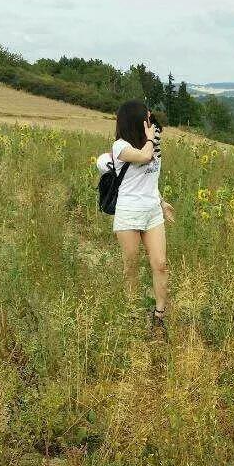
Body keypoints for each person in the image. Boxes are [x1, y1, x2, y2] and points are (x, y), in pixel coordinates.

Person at [96, 99, 175, 332]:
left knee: (160, 264)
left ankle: (159, 315)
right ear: (135, 120)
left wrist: (161, 202)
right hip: (128, 214)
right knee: (131, 266)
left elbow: (150, 180)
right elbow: (144, 157)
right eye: (147, 117)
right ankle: (131, 313)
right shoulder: (120, 146)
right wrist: (150, 139)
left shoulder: (153, 146)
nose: (150, 121)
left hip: (152, 213)